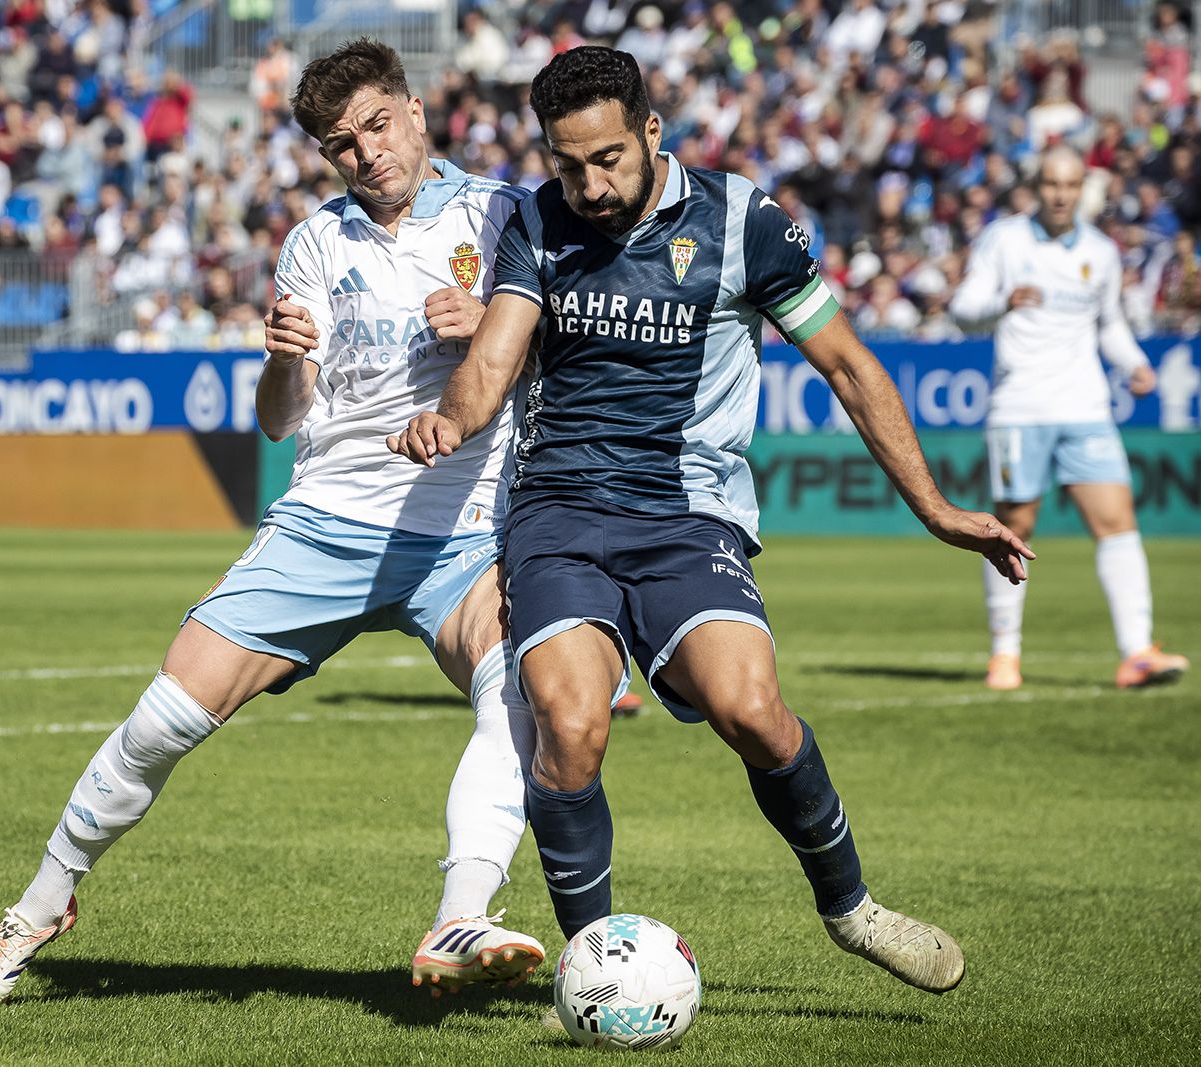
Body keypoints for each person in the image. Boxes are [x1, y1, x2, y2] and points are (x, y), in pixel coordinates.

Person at [390, 47, 1034, 996]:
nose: (590, 184)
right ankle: (594, 963)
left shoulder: (743, 221)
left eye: (607, 158)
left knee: (754, 713)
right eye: (569, 164)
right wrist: (452, 414)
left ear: (652, 132)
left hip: (688, 516)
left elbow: (850, 367)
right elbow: (494, 357)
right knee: (568, 725)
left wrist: (935, 510)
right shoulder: (536, 217)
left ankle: (852, 910)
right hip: (558, 513)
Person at [0, 39, 547, 1010]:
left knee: (519, 684)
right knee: (161, 722)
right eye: (341, 144)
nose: (366, 154)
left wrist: (490, 323)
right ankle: (40, 904)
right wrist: (280, 358)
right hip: (327, 519)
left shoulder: (504, 213)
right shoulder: (315, 242)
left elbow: (561, 346)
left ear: (417, 112)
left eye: (377, 126)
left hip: (464, 526)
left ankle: (460, 912)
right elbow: (279, 417)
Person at [948, 145, 1190, 691]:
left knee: (1118, 522)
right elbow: (963, 310)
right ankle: (1004, 655)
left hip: (1085, 408)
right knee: (1015, 530)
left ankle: (1137, 653)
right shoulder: (1004, 239)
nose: (1060, 194)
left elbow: (1110, 325)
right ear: (1037, 186)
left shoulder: (1102, 252)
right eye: (1051, 184)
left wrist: (1135, 363)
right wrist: (1003, 302)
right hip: (1019, 409)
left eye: (1070, 185)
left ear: (1083, 189)